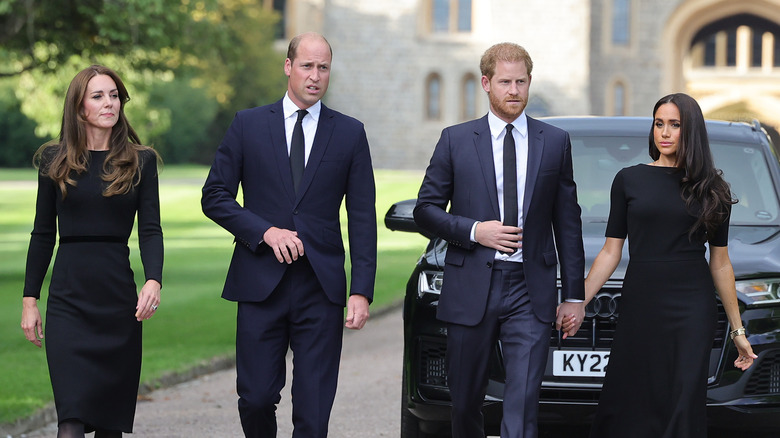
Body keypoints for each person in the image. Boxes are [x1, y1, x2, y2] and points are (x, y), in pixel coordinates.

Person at [201, 32, 377, 438]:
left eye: (323, 68)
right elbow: (214, 196)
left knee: (314, 415)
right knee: (257, 398)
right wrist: (265, 232)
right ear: (288, 66)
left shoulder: (350, 133)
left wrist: (361, 290)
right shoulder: (248, 125)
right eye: (307, 66)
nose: (315, 76)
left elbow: (362, 218)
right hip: (260, 282)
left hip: (322, 287)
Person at [414, 42, 586, 438]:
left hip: (531, 289)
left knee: (523, 402)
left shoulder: (555, 142)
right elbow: (426, 210)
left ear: (529, 83)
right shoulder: (455, 139)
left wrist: (573, 295)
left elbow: (568, 221)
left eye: (521, 82)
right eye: (505, 82)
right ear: (486, 83)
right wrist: (476, 231)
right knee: (466, 399)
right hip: (472, 284)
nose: (514, 90)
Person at [574, 93, 757, 437]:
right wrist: (577, 302)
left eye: (675, 125)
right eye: (659, 123)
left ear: (691, 132)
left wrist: (738, 331)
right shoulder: (629, 180)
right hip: (641, 304)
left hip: (692, 309)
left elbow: (720, 263)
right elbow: (611, 252)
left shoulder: (712, 189)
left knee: (683, 401)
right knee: (630, 399)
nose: (665, 132)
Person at [20, 65, 163, 438]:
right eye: (98, 96)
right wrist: (30, 299)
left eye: (114, 95)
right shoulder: (54, 160)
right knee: (70, 424)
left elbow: (150, 229)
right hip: (69, 301)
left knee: (109, 427)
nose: (109, 103)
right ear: (79, 106)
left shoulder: (141, 161)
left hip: (117, 301)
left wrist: (154, 279)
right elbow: (41, 233)